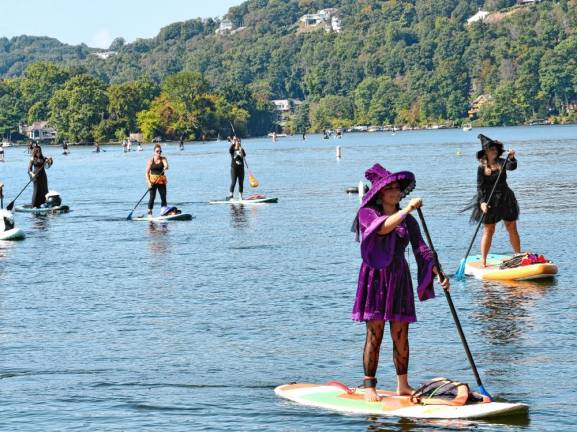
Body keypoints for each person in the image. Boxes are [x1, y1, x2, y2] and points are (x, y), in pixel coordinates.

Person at [352, 163, 449, 402]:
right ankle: (369, 387)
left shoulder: (409, 221)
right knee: (375, 332)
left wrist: (439, 273)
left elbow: (422, 249)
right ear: (380, 193)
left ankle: (402, 385)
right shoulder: (367, 214)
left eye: (398, 188)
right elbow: (382, 229)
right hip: (375, 277)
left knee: (401, 333)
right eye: (391, 189)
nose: (397, 192)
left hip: (399, 276)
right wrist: (406, 210)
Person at [469, 134, 520, 267]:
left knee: (511, 226)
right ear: (486, 151)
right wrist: (482, 203)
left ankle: (518, 256)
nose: (495, 151)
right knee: (489, 230)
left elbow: (512, 167)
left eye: (496, 148)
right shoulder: (481, 168)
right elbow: (480, 187)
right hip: (489, 200)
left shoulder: (502, 162)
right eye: (491, 149)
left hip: (506, 198)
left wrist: (512, 157)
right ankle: (484, 261)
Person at [145, 144, 169, 215]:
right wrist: (148, 183)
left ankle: (164, 211)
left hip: (161, 181)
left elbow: (166, 165)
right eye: (157, 151)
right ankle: (149, 211)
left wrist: (166, 166)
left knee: (163, 196)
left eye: (160, 151)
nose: (159, 153)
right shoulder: (150, 161)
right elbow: (146, 173)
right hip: (153, 182)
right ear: (154, 152)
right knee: (152, 197)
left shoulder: (163, 159)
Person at [228, 136, 246, 201]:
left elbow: (243, 156)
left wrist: (241, 152)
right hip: (234, 169)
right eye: (237, 141)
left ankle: (240, 197)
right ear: (235, 142)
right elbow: (230, 150)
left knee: (241, 183)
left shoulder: (242, 149)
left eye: (239, 141)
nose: (239, 142)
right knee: (233, 182)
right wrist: (233, 143)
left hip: (241, 169)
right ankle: (231, 196)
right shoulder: (232, 150)